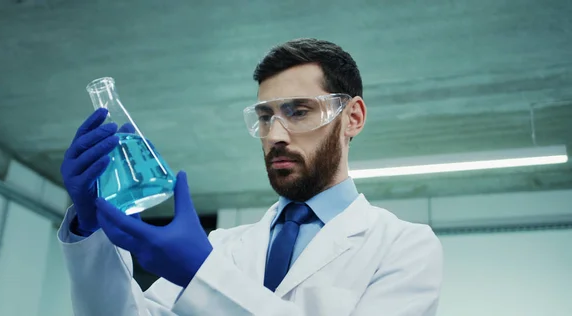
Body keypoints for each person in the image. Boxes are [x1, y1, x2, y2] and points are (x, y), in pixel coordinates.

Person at [58, 38, 443, 315]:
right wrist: (91, 233)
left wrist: (203, 274)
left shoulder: (403, 247)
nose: (274, 135)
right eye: (264, 117)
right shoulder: (226, 246)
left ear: (353, 118)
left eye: (299, 112)